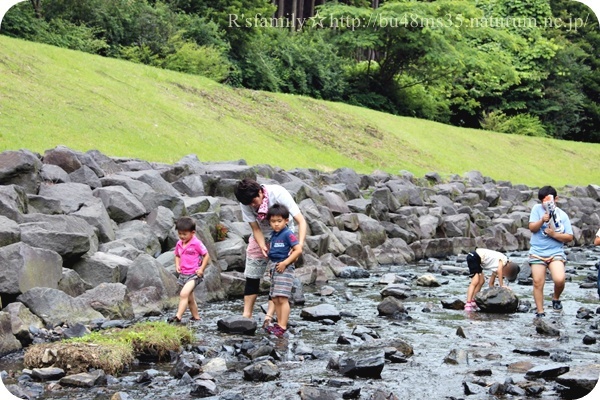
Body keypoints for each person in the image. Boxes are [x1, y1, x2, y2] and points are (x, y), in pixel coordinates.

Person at [234, 178, 307, 324]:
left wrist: (298, 246)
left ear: (260, 192)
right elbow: (255, 228)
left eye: (254, 202)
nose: (253, 206)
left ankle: (269, 316)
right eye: (249, 204)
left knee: (277, 277)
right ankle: (246, 315)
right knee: (252, 275)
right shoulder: (246, 202)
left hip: (283, 235)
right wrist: (262, 245)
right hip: (262, 234)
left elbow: (301, 221)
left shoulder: (278, 193)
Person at [528, 186, 573, 318]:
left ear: (556, 199)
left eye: (547, 200)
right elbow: (532, 228)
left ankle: (556, 297)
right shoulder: (536, 209)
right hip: (537, 251)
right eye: (542, 200)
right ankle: (540, 311)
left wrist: (554, 234)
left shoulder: (562, 215)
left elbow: (569, 237)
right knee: (537, 282)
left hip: (555, 252)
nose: (544, 203)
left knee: (559, 280)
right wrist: (542, 220)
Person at [263, 204, 302, 337]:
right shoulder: (273, 235)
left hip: (284, 268)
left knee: (283, 298)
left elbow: (298, 250)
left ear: (286, 221)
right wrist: (271, 269)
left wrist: (285, 263)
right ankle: (279, 324)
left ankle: (282, 325)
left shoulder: (288, 234)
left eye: (279, 221)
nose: (276, 224)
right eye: (273, 222)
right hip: (275, 267)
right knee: (276, 298)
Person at [168, 216, 211, 323]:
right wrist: (177, 265)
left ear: (193, 232)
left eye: (184, 234)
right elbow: (177, 255)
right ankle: (196, 317)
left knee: (183, 294)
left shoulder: (196, 243)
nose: (182, 236)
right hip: (184, 274)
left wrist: (201, 269)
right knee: (190, 298)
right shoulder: (179, 244)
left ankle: (178, 317)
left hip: (194, 274)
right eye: (180, 234)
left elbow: (206, 255)